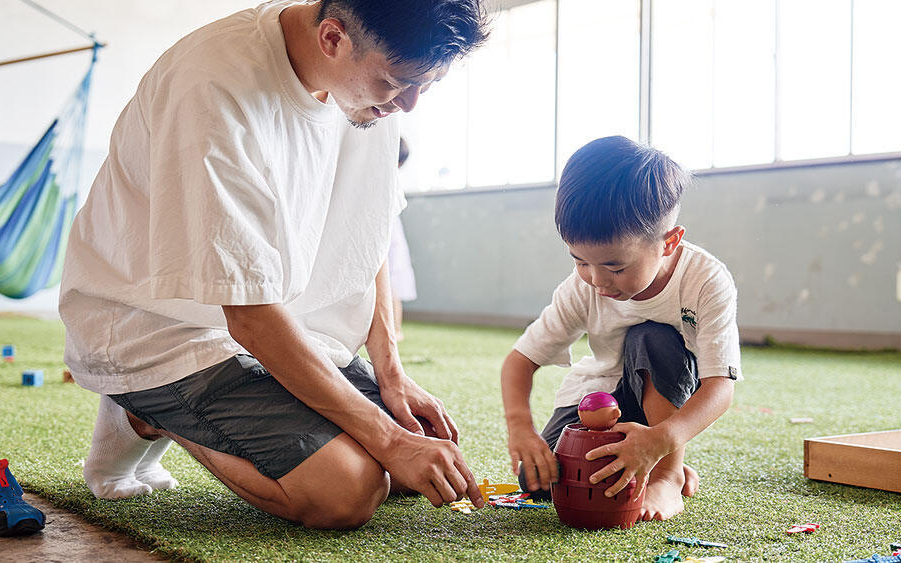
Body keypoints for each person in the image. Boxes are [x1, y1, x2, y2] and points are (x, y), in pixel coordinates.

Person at [59, 0, 488, 530]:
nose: (410, 104)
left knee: (414, 461)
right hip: (163, 326)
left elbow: (366, 231)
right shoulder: (213, 89)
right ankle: (144, 411)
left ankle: (170, 411)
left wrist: (391, 374)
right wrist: (388, 439)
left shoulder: (369, 88)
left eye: (428, 84)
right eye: (398, 82)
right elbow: (249, 315)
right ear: (333, 38)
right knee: (347, 491)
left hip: (284, 321)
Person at [500, 136, 741, 522]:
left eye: (615, 267)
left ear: (669, 242)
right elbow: (519, 361)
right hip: (600, 396)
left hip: (660, 399)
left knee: (651, 336)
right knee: (541, 479)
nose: (597, 280)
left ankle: (666, 473)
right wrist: (521, 430)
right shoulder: (581, 288)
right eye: (580, 260)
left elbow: (720, 386)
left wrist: (663, 440)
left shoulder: (705, 281)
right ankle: (651, 460)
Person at [389, 138, 418, 340]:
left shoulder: (391, 180)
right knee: (390, 283)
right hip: (390, 232)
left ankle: (396, 329)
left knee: (392, 283)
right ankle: (394, 329)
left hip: (390, 233)